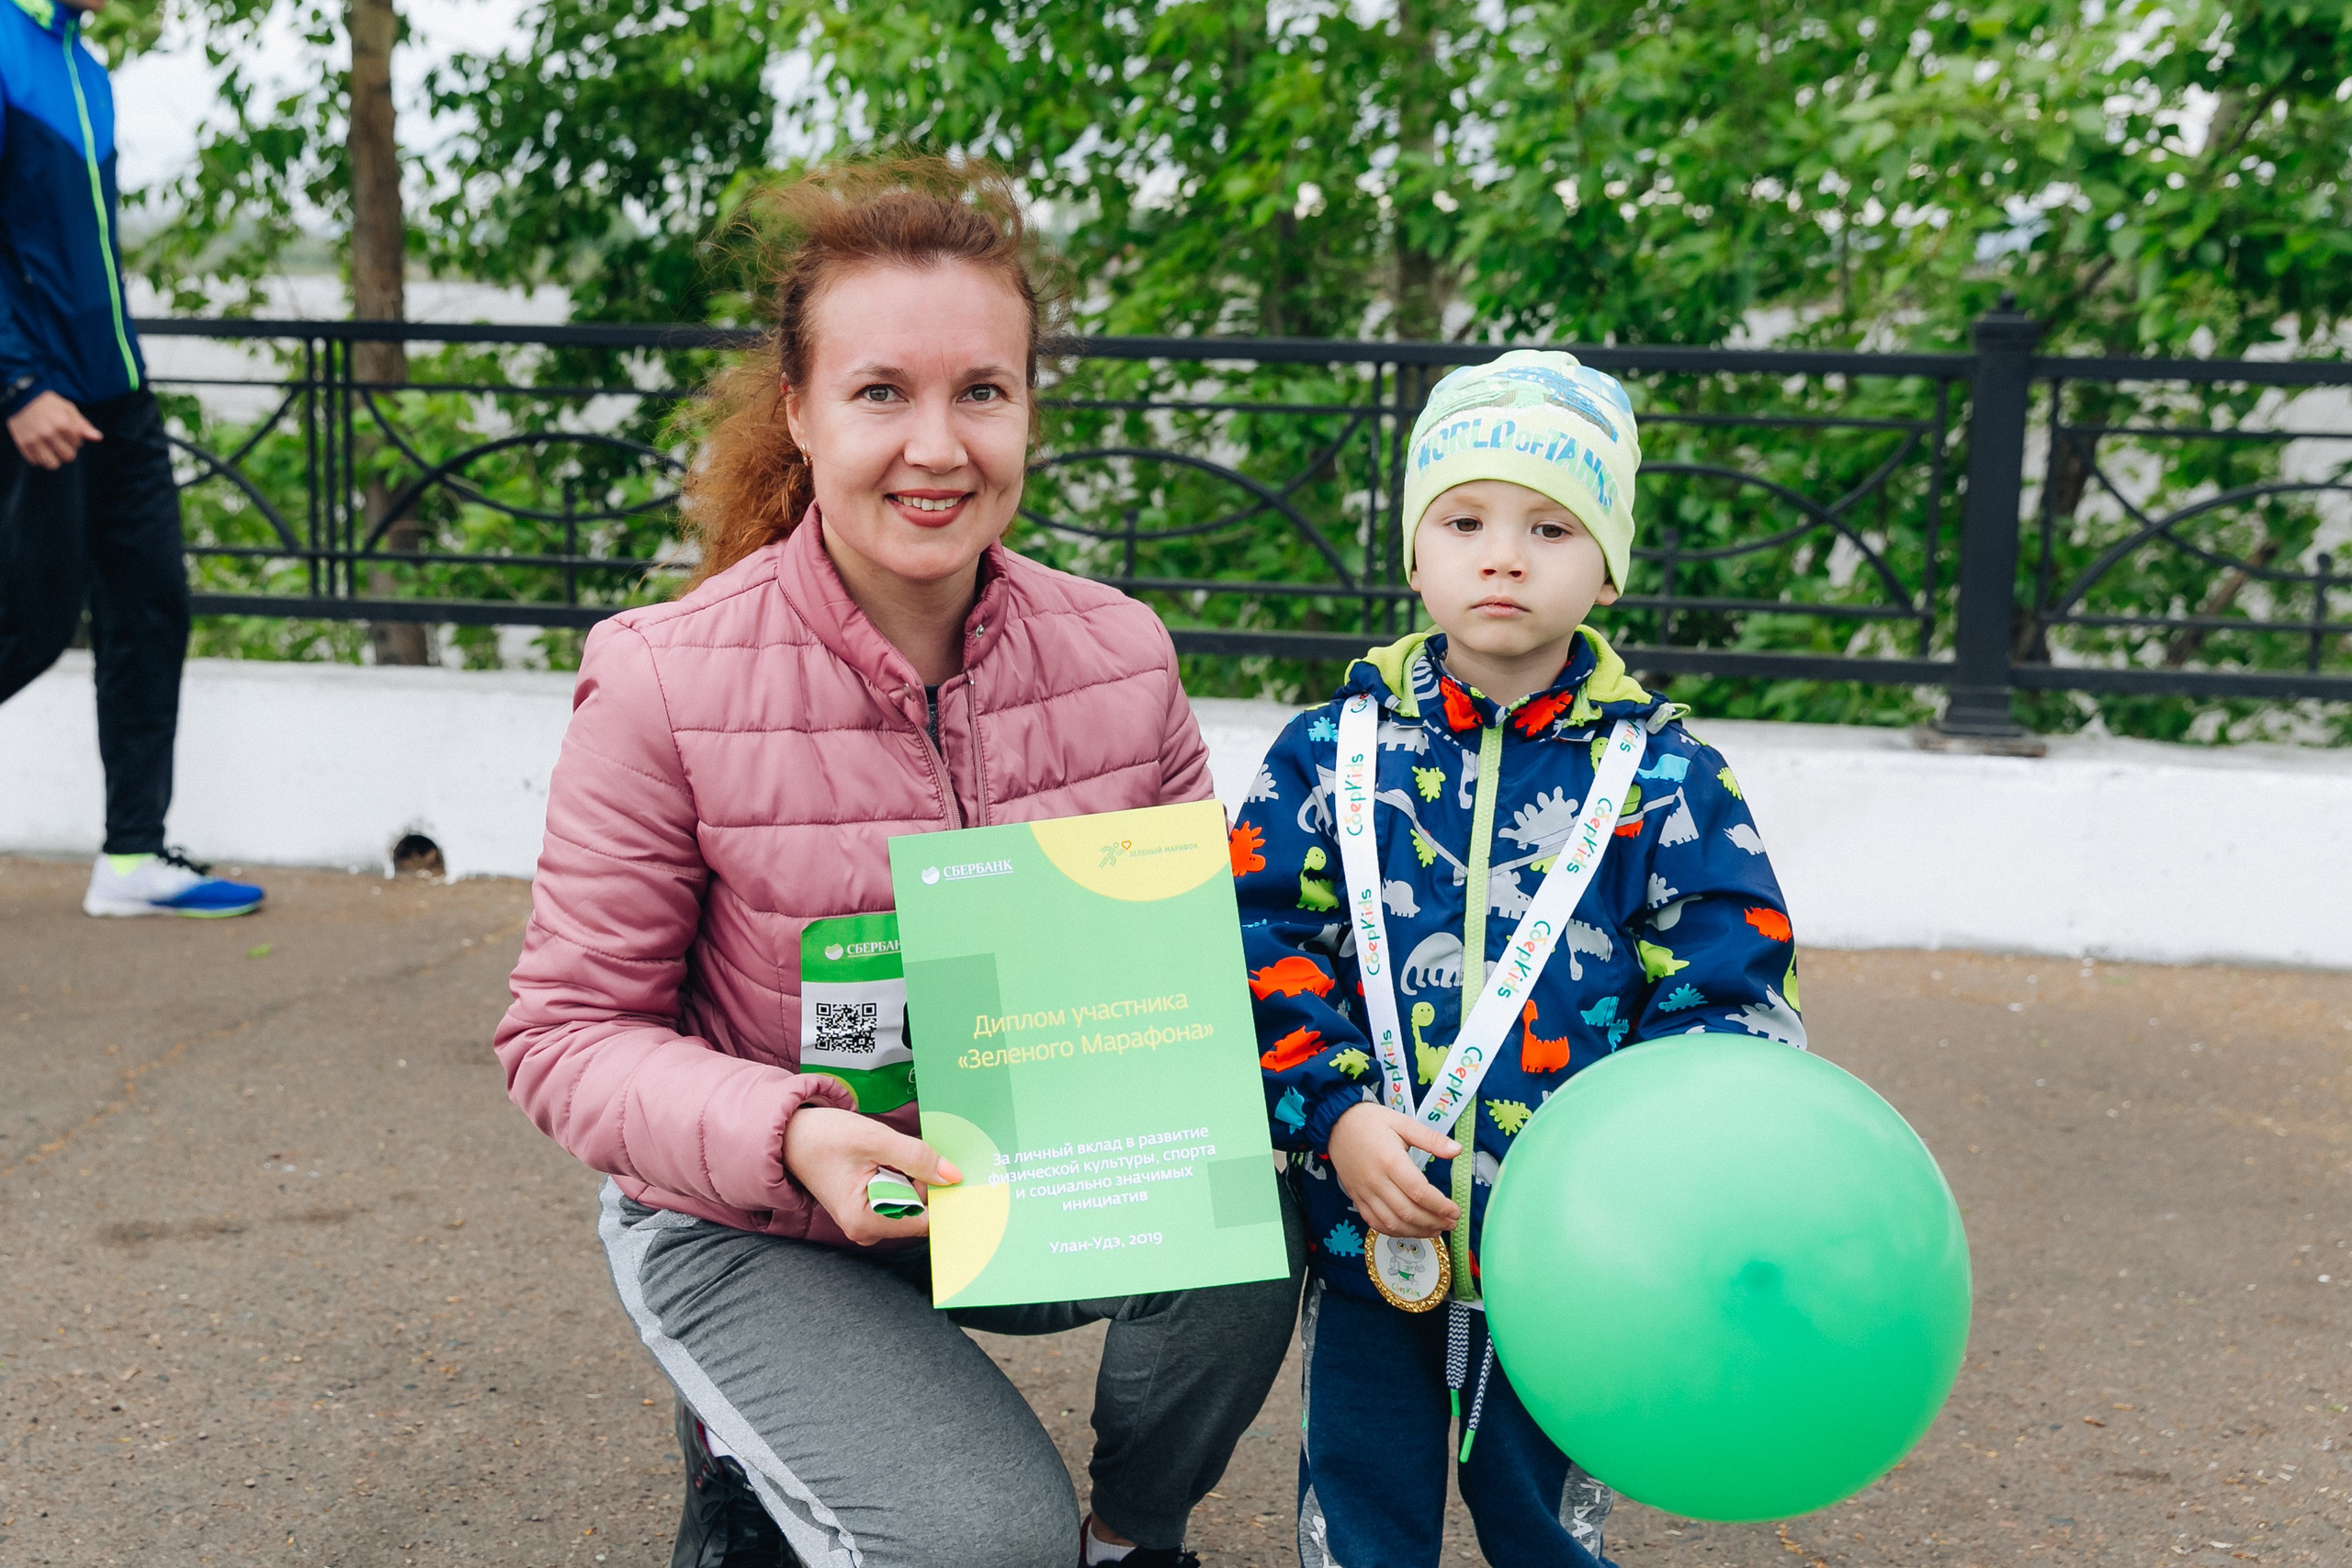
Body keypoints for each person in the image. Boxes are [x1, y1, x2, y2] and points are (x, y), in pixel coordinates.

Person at [494, 159, 1304, 1568]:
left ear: (1030, 411)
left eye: (982, 391)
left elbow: (1196, 980)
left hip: (1028, 1182)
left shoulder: (1123, 655)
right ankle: (749, 1428)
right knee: (983, 1540)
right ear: (799, 412)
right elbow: (564, 1037)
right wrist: (793, 1131)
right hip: (756, 1212)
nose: (938, 445)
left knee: (1263, 1190)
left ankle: (1131, 1537)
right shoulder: (660, 679)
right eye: (883, 393)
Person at [1232, 350, 1804, 1568]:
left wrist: (1645, 1169)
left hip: (1577, 1254)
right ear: (1414, 551)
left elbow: (1730, 992)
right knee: (1362, 1507)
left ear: (1606, 569)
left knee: (1546, 1525)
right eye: (1465, 518)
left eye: (1553, 526)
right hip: (1371, 1221)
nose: (1503, 553)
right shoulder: (1325, 754)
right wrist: (1333, 1114)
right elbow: (1262, 941)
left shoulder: (1665, 777)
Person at [0, 0, 262, 919]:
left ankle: (132, 859)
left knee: (151, 609)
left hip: (117, 394)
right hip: (36, 400)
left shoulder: (88, 69)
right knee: (24, 627)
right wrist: (16, 386)